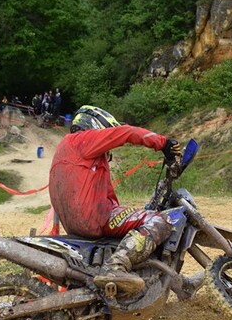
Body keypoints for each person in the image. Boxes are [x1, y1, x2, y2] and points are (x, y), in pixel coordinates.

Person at [48, 105, 183, 295]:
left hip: (74, 224)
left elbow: (107, 195)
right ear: (96, 126)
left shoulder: (66, 147)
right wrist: (163, 143)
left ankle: (177, 283)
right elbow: (125, 133)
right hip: (93, 218)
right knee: (160, 220)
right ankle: (115, 267)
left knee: (141, 217)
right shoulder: (83, 140)